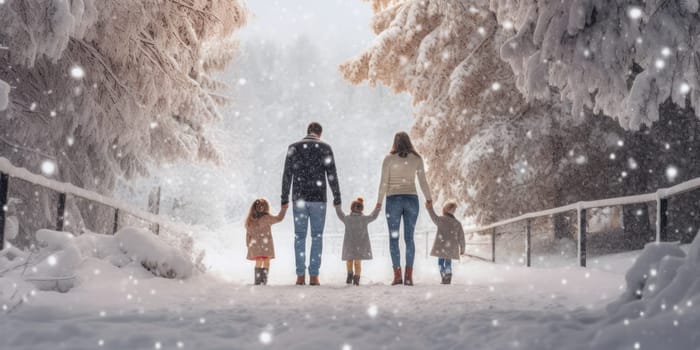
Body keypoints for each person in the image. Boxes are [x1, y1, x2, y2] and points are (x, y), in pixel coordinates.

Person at [282, 122, 342, 286]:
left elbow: (287, 175)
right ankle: (314, 276)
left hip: (299, 198)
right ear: (320, 133)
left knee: (299, 236)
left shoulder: (293, 148)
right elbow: (332, 175)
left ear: (307, 131)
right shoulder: (325, 148)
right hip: (318, 199)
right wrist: (337, 197)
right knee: (317, 236)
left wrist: (284, 198)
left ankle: (300, 276)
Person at [376, 131, 432, 286]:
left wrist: (379, 203)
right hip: (411, 199)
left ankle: (397, 275)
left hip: (393, 200)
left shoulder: (388, 159)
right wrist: (429, 198)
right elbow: (423, 182)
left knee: (394, 239)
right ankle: (408, 276)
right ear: (409, 142)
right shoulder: (416, 159)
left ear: (395, 142)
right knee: (409, 238)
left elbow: (383, 183)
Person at [334, 197, 381, 286]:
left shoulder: (347, 219)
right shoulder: (364, 219)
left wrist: (337, 206)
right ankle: (356, 278)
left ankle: (350, 275)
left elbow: (340, 214)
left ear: (351, 208)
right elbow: (373, 216)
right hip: (360, 245)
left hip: (349, 245)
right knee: (357, 263)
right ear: (361, 208)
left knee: (349, 261)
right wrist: (377, 208)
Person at [245, 198, 288, 285]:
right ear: (266, 208)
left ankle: (257, 281)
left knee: (258, 262)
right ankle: (263, 281)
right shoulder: (267, 218)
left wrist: (248, 245)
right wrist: (284, 209)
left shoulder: (250, 221)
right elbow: (279, 218)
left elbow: (248, 235)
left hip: (255, 246)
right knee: (266, 262)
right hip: (266, 246)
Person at [426, 201, 465, 285]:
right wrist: (462, 248)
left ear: (445, 210)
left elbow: (433, 217)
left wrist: (429, 208)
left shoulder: (441, 220)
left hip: (441, 247)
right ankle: (448, 275)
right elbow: (461, 237)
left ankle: (444, 275)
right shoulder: (457, 223)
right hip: (450, 248)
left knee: (440, 263)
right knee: (448, 262)